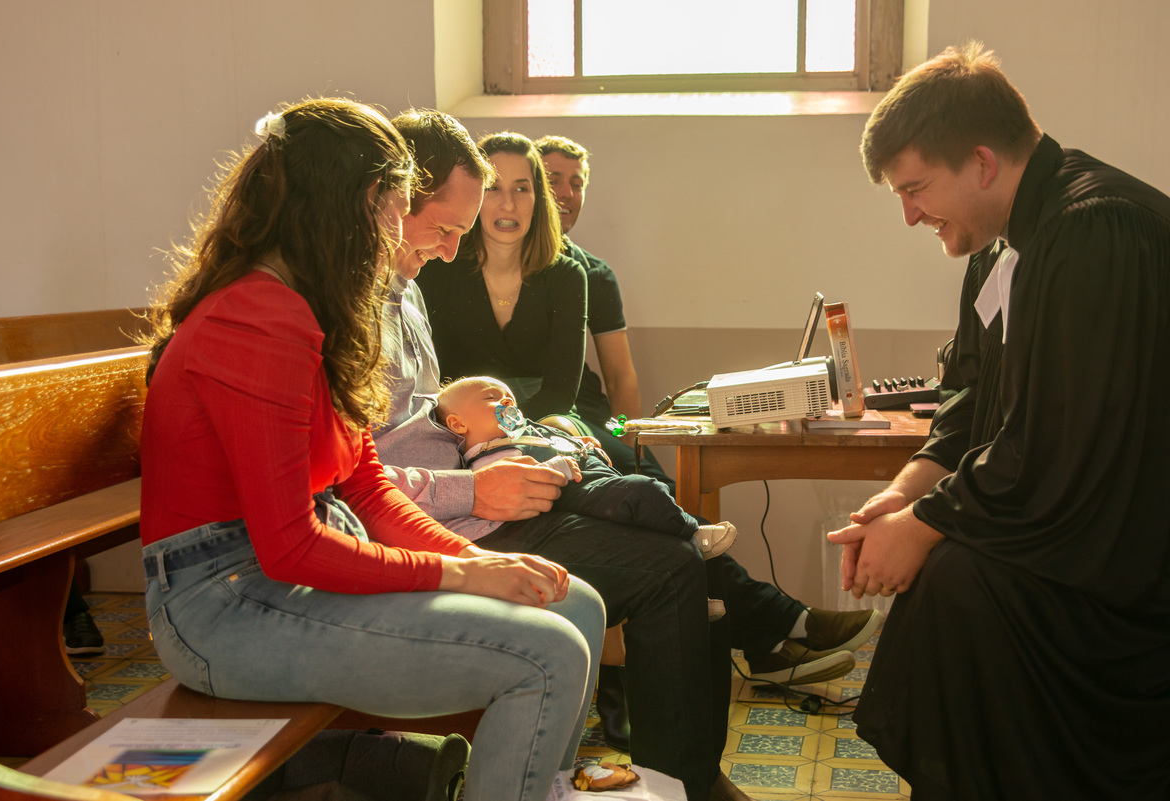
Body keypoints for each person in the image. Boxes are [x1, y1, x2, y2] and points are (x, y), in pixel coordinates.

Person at [377, 109, 880, 801]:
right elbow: (367, 463)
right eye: (491, 193)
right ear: (396, 198)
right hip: (473, 477)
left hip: (524, 439)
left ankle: (691, 766)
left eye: (530, 188)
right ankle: (717, 719)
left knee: (640, 493)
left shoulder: (466, 281)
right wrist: (475, 456)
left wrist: (511, 433)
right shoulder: (408, 282)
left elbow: (564, 387)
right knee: (676, 561)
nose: (506, 205)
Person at [138, 98, 604, 801]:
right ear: (345, 207)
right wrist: (462, 578)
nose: (398, 230)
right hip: (221, 604)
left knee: (575, 605)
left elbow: (365, 485)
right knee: (543, 653)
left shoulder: (313, 309)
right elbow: (289, 547)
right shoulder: (257, 316)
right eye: (393, 206)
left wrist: (480, 558)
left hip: (275, 579)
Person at [828, 43, 1170, 800]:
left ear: (982, 162)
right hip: (1070, 523)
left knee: (951, 579)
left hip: (1131, 557)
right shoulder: (998, 249)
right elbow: (970, 405)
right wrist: (904, 494)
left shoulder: (1095, 230)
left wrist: (922, 527)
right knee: (949, 578)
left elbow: (1061, 444)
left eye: (916, 188)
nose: (911, 213)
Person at [535, 134, 881, 714]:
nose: (566, 193)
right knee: (657, 514)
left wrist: (630, 440)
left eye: (577, 183)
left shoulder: (592, 272)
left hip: (600, 424)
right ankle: (774, 631)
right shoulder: (475, 267)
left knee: (660, 493)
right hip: (548, 428)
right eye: (551, 180)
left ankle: (769, 635)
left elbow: (620, 379)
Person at [435, 375, 738, 563]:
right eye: (491, 398)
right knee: (642, 491)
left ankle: (703, 590)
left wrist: (574, 440)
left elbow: (549, 438)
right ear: (458, 423)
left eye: (510, 398)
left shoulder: (523, 432)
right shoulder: (487, 460)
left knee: (641, 507)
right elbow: (521, 480)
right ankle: (692, 532)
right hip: (579, 491)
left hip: (592, 473)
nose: (506, 401)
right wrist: (559, 464)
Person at [414, 132, 586, 421]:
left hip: (548, 419)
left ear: (538, 198)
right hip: (460, 422)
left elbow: (560, 394)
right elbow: (429, 381)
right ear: (474, 197)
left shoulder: (567, 276)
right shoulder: (436, 268)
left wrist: (507, 428)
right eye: (493, 188)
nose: (508, 204)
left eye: (521, 189)